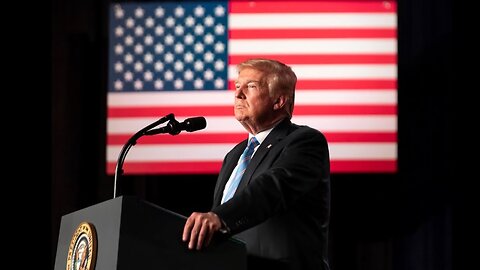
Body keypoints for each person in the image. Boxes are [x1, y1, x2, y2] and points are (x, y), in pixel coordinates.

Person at [182, 58, 331, 270]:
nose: (238, 94)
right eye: (237, 87)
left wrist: (220, 217)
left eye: (251, 86)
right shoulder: (234, 155)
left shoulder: (304, 141)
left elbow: (271, 189)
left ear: (279, 101)